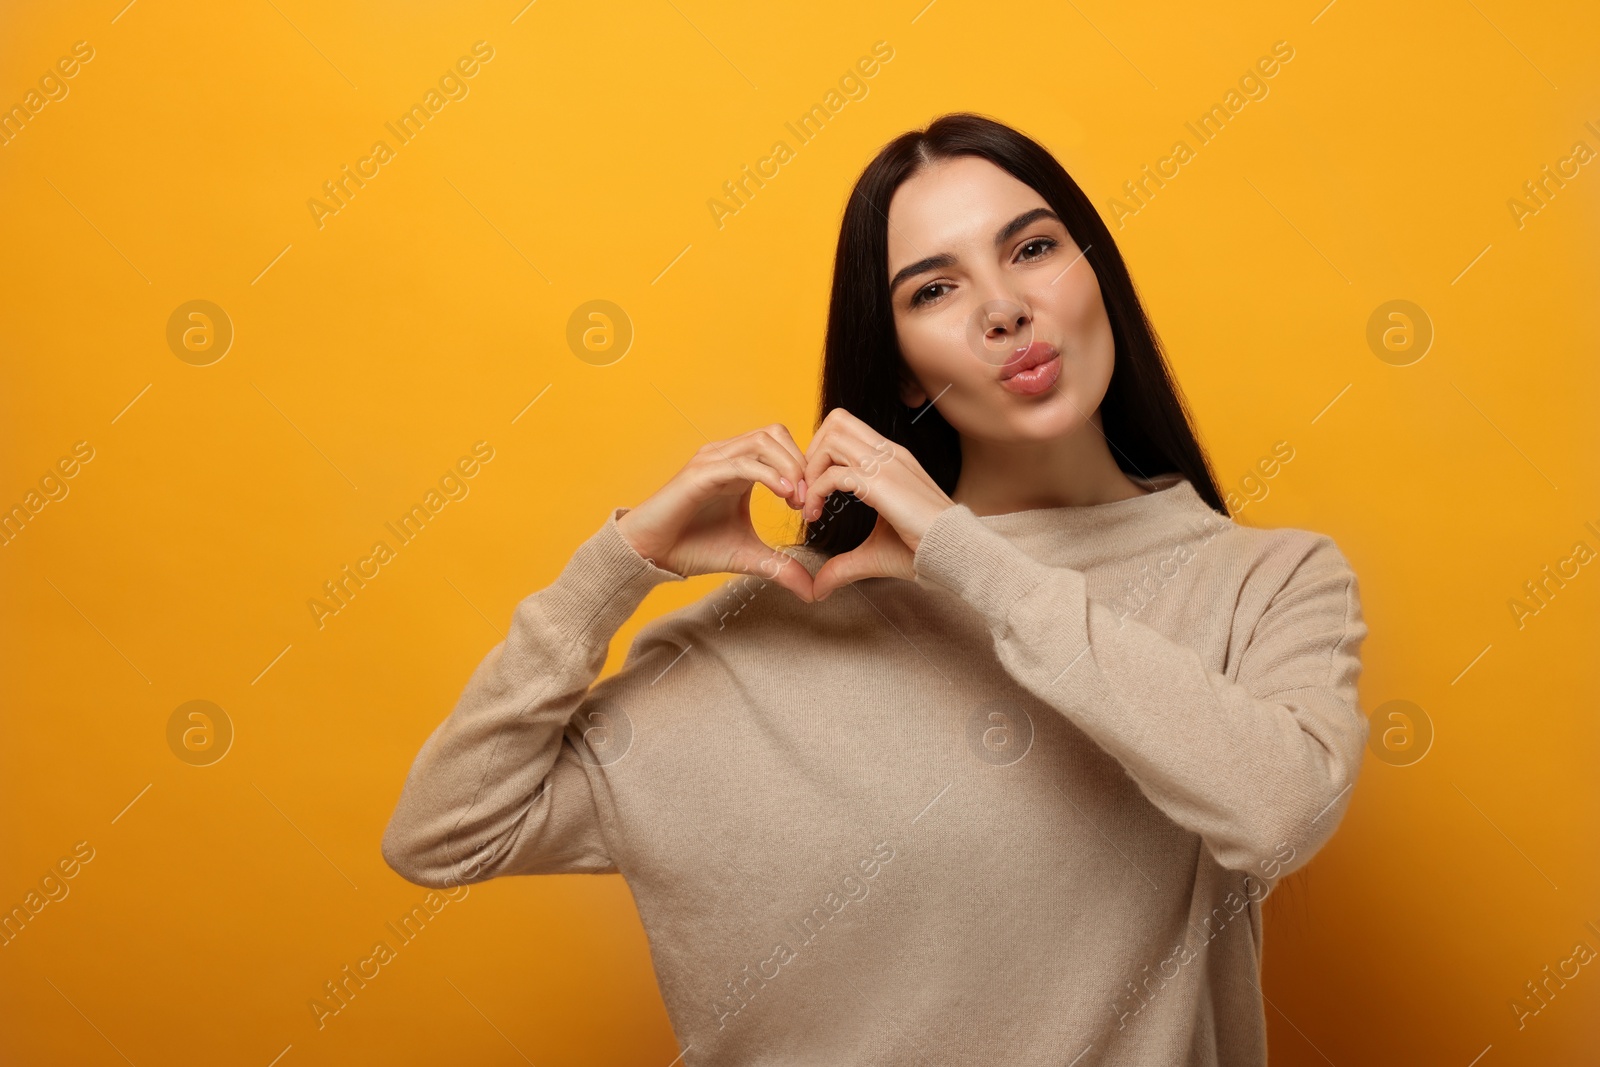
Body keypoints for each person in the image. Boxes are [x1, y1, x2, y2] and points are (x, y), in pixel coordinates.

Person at [381, 112, 1368, 1066]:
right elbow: (446, 829)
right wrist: (618, 562)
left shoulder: (1265, 580)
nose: (1000, 308)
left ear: (1096, 275)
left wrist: (959, 550)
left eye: (1031, 249)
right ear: (900, 375)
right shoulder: (774, 632)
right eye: (933, 289)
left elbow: (1277, 810)